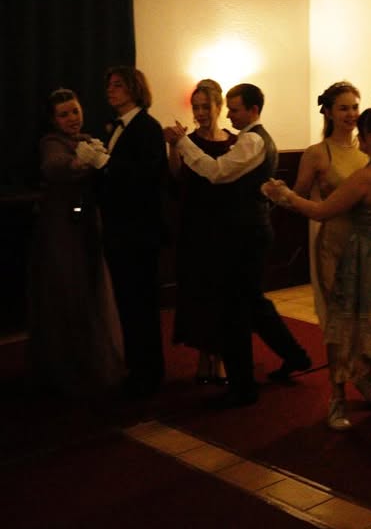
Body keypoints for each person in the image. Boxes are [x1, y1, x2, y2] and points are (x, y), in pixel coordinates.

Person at [263, 105, 371, 443]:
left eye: (362, 133)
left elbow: (321, 210)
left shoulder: (367, 177)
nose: (358, 137)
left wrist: (284, 196)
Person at [164, 83, 311, 408]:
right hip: (246, 231)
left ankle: (243, 387)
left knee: (235, 311)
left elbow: (217, 173)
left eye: (235, 109)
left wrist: (183, 143)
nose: (229, 115)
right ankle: (294, 356)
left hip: (244, 234)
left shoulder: (253, 140)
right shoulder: (253, 138)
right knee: (253, 303)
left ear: (253, 110)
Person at [291, 81, 371, 429]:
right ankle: (337, 397)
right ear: (329, 112)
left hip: (366, 245)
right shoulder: (318, 153)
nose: (351, 114)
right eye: (344, 108)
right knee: (338, 323)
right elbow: (298, 197)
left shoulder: (368, 150)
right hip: (332, 244)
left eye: (354, 107)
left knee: (368, 319)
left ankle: (364, 375)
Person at [27, 88, 125, 395]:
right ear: (53, 120)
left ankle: (92, 362)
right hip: (61, 229)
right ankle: (66, 367)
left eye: (75, 111)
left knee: (91, 289)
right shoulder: (51, 142)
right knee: (68, 291)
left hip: (87, 225)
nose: (72, 118)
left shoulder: (88, 140)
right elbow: (53, 165)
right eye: (64, 114)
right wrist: (80, 163)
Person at [100, 66, 166, 398]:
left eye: (117, 85)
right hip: (120, 230)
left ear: (134, 89)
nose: (110, 90)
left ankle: (148, 374)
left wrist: (105, 163)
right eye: (109, 85)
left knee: (141, 304)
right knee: (128, 303)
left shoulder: (147, 127)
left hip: (138, 233)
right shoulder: (118, 127)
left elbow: (148, 178)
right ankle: (138, 368)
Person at [167, 79, 235, 386]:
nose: (200, 113)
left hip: (225, 228)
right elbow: (176, 177)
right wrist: (173, 146)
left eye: (206, 106)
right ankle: (203, 355)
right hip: (195, 227)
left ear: (219, 106)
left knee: (222, 294)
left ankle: (219, 357)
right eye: (196, 107)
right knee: (199, 294)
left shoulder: (234, 142)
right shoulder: (188, 141)